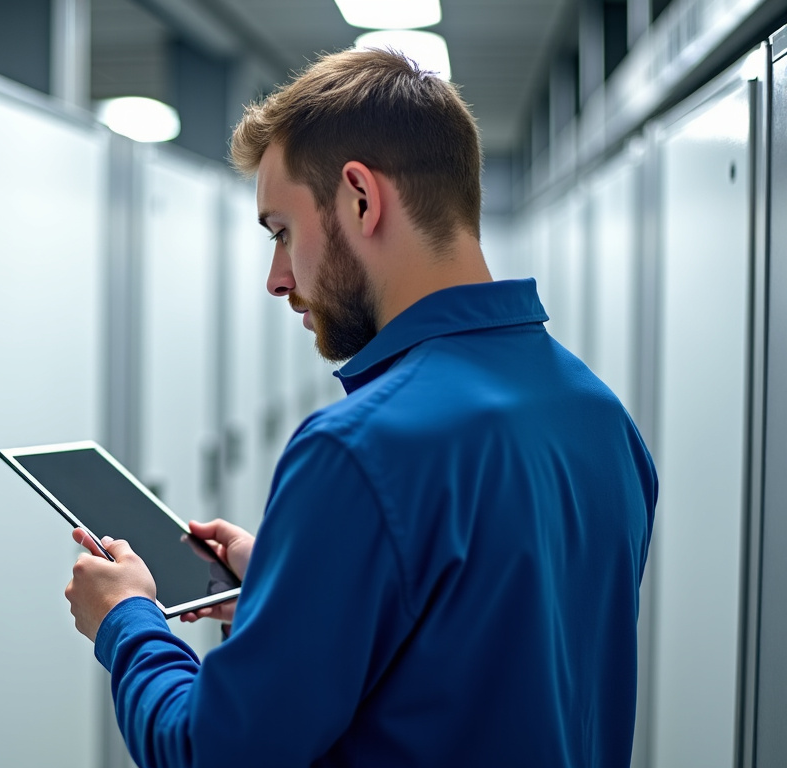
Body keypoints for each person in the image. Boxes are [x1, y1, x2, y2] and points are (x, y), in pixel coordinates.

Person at [64, 48, 657, 767]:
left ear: (361, 199)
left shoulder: (359, 450)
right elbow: (475, 663)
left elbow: (212, 752)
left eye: (282, 232)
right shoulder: (600, 417)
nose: (277, 279)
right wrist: (291, 580)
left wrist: (126, 619)